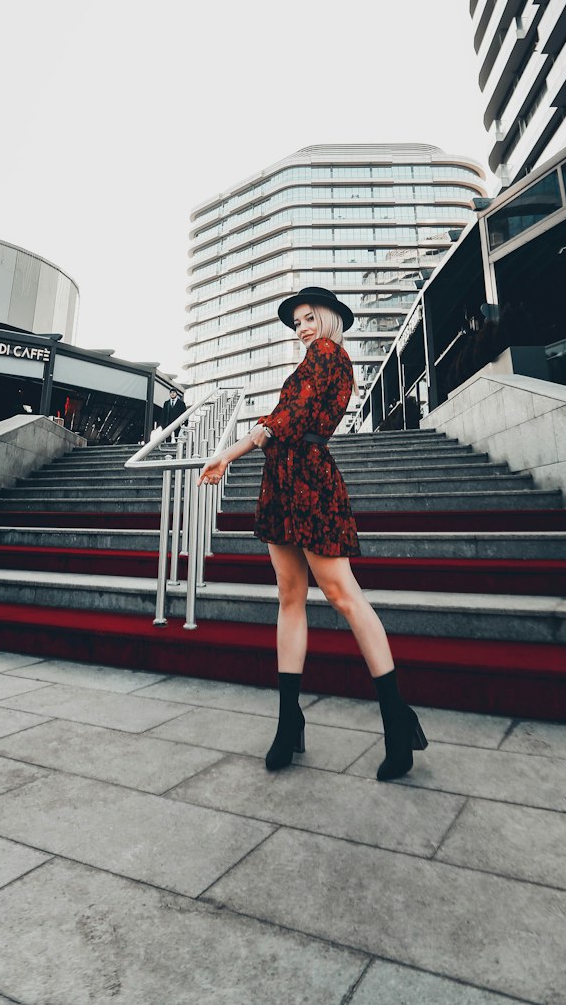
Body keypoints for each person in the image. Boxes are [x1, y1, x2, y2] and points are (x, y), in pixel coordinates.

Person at [199, 284, 428, 781]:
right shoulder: (312, 360)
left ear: (326, 317)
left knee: (344, 595)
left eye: (307, 317)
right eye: (295, 322)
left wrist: (227, 454)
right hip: (283, 479)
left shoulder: (330, 354)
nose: (301, 327)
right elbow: (280, 422)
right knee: (289, 597)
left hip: (307, 478)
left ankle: (396, 719)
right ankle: (289, 721)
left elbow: (286, 419)